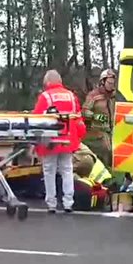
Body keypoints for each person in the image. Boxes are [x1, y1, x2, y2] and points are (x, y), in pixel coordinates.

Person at [33, 69, 86, 214]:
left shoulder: (45, 97)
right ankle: (68, 202)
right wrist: (79, 136)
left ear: (48, 81)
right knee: (67, 170)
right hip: (67, 139)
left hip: (50, 140)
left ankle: (51, 203)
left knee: (49, 171)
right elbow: (78, 119)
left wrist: (35, 141)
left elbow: (36, 119)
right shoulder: (71, 96)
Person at [83, 68, 117, 169]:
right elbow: (84, 111)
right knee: (108, 150)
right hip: (98, 131)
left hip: (113, 130)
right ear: (102, 82)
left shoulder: (115, 96)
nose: (111, 85)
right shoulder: (94, 96)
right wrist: (95, 116)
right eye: (109, 83)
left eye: (113, 83)